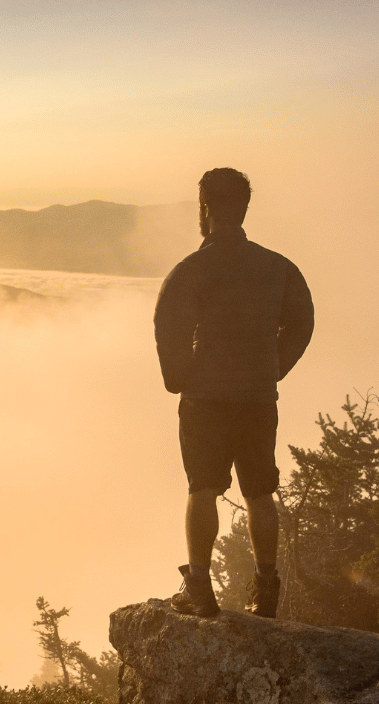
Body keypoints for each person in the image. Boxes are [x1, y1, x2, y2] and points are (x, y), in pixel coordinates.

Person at [153, 168, 314, 618]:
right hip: (258, 398)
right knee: (260, 491)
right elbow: (303, 321)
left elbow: (169, 326)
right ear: (244, 208)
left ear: (204, 210)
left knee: (202, 487)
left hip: (205, 397)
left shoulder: (191, 270)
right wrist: (272, 367)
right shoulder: (278, 268)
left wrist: (180, 377)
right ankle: (265, 589)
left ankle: (199, 590)